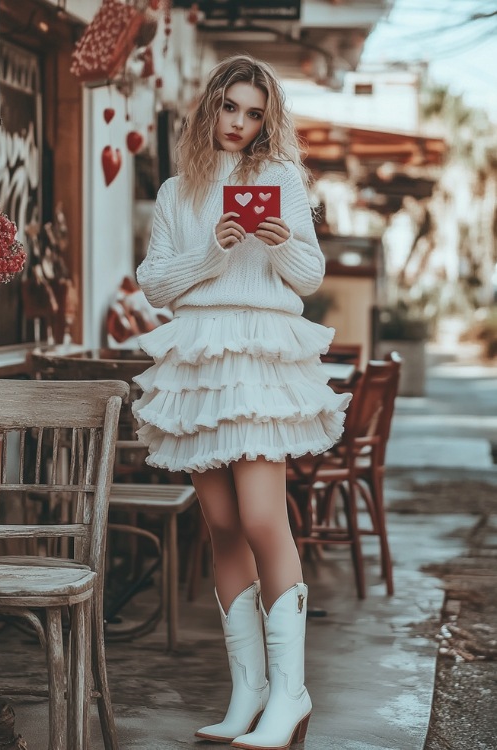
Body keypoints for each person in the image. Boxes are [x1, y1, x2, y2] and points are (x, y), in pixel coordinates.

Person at [133, 54, 351, 749]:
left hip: (257, 357)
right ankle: (249, 692)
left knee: (262, 517)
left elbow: (311, 276)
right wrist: (213, 253)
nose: (241, 123)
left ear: (267, 120)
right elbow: (155, 284)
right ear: (211, 107)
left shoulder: (281, 180)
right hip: (201, 359)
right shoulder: (176, 191)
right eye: (232, 107)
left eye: (255, 113)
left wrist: (282, 242)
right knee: (223, 525)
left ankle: (291, 694)